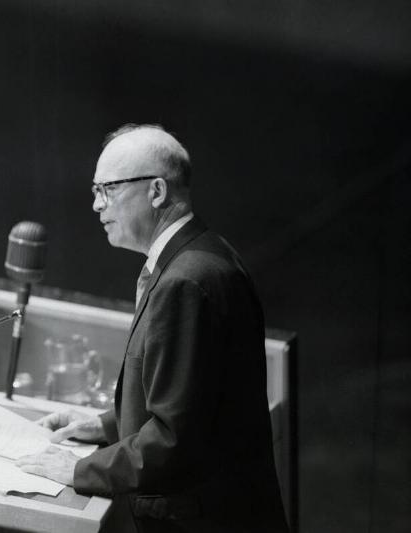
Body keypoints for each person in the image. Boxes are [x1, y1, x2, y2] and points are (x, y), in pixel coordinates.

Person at [16, 124, 289, 532]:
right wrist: (104, 426)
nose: (96, 204)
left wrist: (78, 469)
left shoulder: (186, 281)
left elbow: (175, 439)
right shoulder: (204, 253)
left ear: (157, 191)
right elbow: (192, 403)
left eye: (107, 189)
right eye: (95, 190)